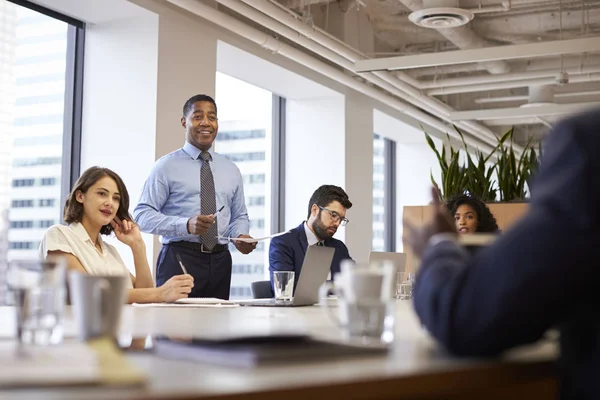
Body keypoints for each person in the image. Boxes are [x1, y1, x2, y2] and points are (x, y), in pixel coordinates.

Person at [404, 108, 600, 400]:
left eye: (468, 217)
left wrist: (439, 244)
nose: (462, 222)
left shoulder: (587, 143)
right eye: (457, 217)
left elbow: (464, 315)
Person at [133, 94, 256, 300]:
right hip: (179, 257)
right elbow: (141, 215)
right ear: (184, 122)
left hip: (220, 261)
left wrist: (240, 236)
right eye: (198, 116)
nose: (206, 122)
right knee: (175, 329)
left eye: (212, 117)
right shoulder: (166, 167)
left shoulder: (231, 169)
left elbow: (239, 216)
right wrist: (186, 224)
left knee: (215, 330)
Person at [39, 166, 194, 304]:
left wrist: (137, 245)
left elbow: (144, 295)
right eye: (102, 194)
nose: (110, 203)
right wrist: (160, 293)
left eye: (116, 198)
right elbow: (89, 293)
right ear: (80, 196)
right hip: (72, 333)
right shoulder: (59, 235)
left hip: (110, 333)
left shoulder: (109, 251)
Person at [269, 185, 353, 292]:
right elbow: (284, 289)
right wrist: (332, 287)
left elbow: (352, 284)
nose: (337, 223)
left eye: (341, 219)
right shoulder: (282, 243)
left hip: (333, 309)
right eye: (333, 215)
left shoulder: (339, 248)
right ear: (315, 210)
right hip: (297, 309)